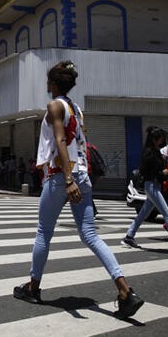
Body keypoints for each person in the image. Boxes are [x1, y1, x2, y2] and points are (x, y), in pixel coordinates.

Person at [13, 61, 143, 319]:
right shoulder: (76, 108)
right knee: (90, 235)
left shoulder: (54, 106)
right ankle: (125, 291)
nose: (46, 86)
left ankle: (33, 287)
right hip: (82, 175)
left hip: (62, 176)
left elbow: (61, 139)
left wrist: (68, 178)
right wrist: (75, 177)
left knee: (43, 233)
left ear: (52, 84)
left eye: (48, 82)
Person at [121, 127, 168, 255]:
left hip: (156, 185)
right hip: (151, 185)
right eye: (161, 138)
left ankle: (129, 236)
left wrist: (164, 174)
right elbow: (145, 171)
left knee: (142, 214)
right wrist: (161, 172)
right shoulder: (149, 153)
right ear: (155, 139)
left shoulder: (156, 151)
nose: (163, 140)